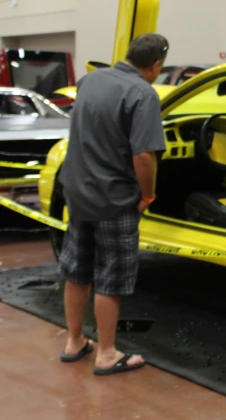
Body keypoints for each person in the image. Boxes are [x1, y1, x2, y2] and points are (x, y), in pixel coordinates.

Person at [57, 33, 168, 375]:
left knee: (77, 271)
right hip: (114, 200)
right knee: (111, 278)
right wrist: (147, 196)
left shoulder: (90, 80)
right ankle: (106, 353)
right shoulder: (142, 93)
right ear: (156, 65)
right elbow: (144, 156)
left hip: (78, 193)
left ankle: (74, 341)